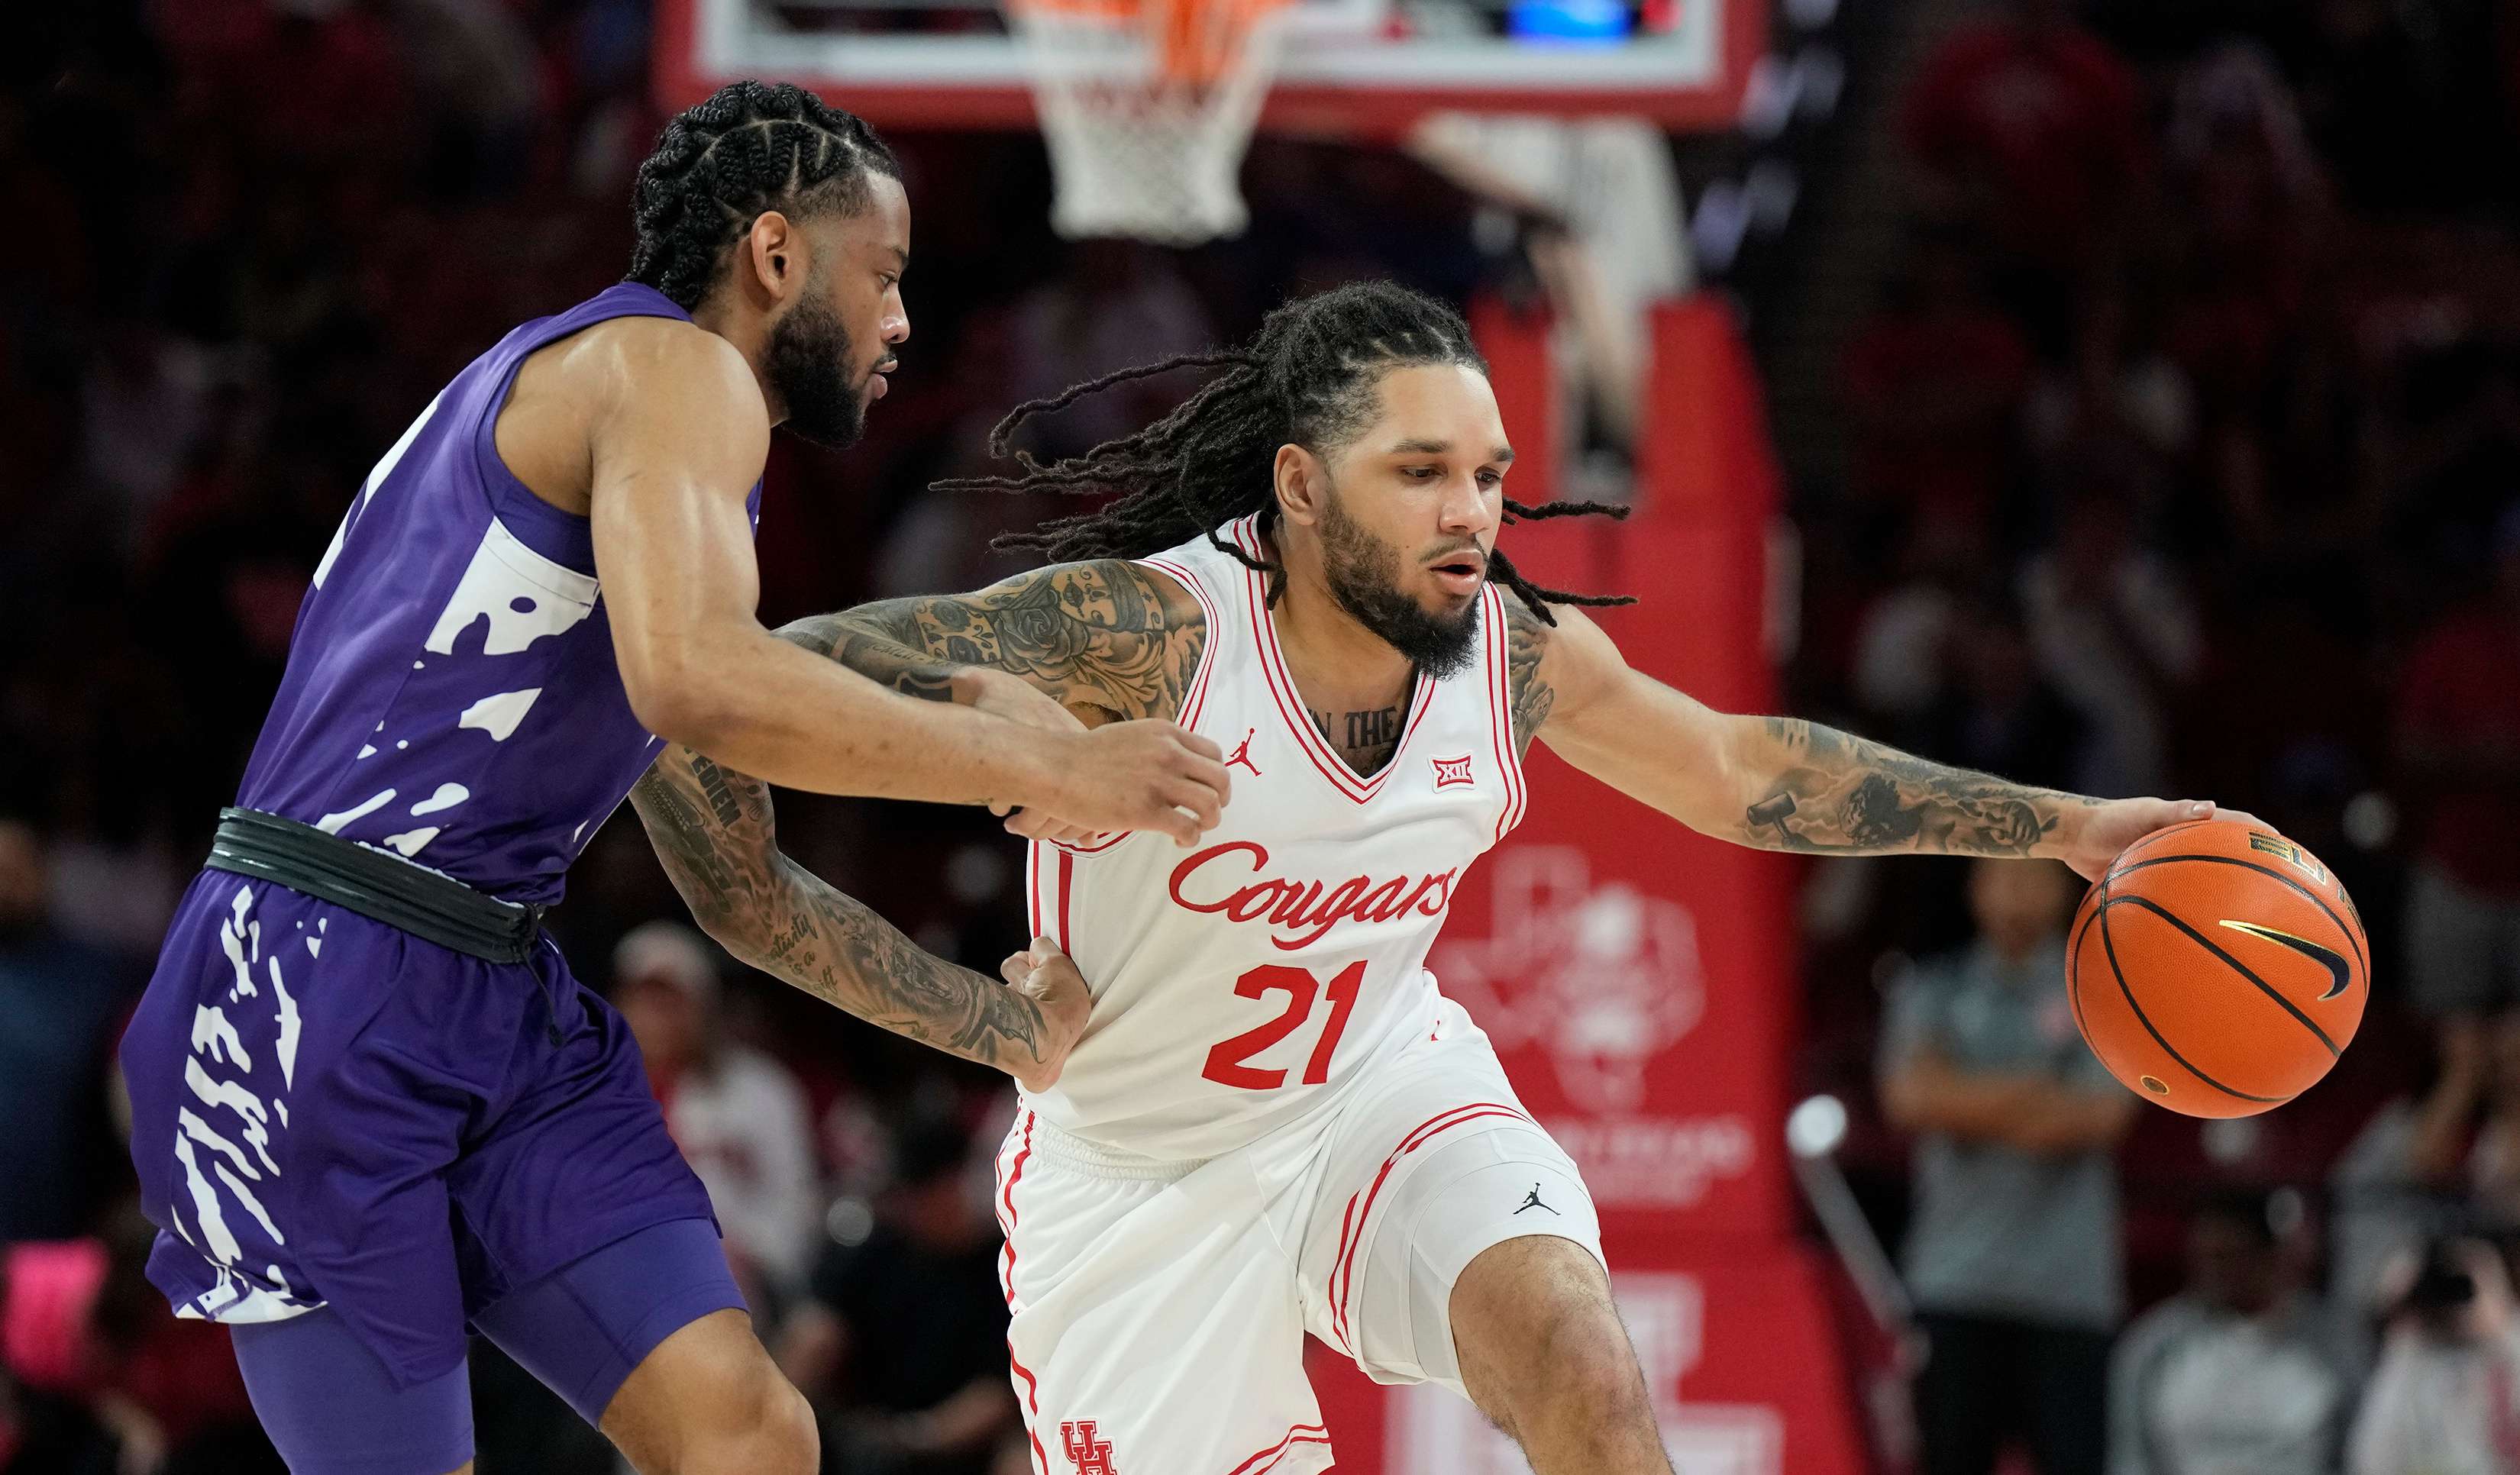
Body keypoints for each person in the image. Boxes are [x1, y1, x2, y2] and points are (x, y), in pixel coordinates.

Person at [632, 280, 2235, 1474]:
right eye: (1421, 473)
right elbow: (705, 716)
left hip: (1372, 1091)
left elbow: (1750, 773)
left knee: (1584, 1372)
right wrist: (972, 1006)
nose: (1472, 512)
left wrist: (2076, 831)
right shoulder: (1136, 637)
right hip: (1140, 1179)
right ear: (1301, 485)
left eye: (1486, 472)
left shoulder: (1513, 658)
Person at [116, 79, 1224, 1475]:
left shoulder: (657, 486)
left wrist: (1009, 1032)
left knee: (750, 1436)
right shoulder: (668, 370)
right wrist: (1041, 758)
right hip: (311, 985)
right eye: (881, 277)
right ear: (773, 256)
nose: (900, 325)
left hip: (492, 986)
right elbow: (706, 682)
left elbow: (742, 883)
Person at [1879, 857, 2136, 1475]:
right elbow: (1909, 1099)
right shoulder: (1933, 987)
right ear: (1975, 889)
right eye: (2001, 875)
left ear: (2064, 889)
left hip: (2068, 1292)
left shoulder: (2104, 991)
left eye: (2033, 876)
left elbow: (2099, 1119)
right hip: (1955, 1283)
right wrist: (2043, 1085)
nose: (2016, 892)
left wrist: (1962, 1097)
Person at [777, 1118, 1017, 1475]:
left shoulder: (1004, 1265)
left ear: (954, 1184)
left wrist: (912, 1438)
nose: (909, 1208)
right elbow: (817, 1332)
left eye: (922, 1193)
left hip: (960, 1449)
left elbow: (997, 1396)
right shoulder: (881, 1248)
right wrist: (783, 1417)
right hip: (869, 1430)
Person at [611, 922, 822, 1306]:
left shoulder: (762, 1090)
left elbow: (797, 1206)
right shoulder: (597, 1096)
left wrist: (750, 1254)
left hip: (742, 1277)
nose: (657, 1017)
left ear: (703, 1007)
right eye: (645, 1001)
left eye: (671, 1002)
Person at [2108, 1192, 2355, 1475]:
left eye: (2226, 1257)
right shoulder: (2152, 1346)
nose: (2212, 1272)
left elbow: (2362, 1451)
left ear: (2269, 1256)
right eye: (2202, 1257)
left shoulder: (2334, 1342)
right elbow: (2129, 1459)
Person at [2348, 1238, 2520, 1475]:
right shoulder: (2411, 1361)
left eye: (2463, 1286)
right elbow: (2371, 1463)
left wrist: (2502, 1323)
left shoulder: (2503, 1352)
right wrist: (2402, 1333)